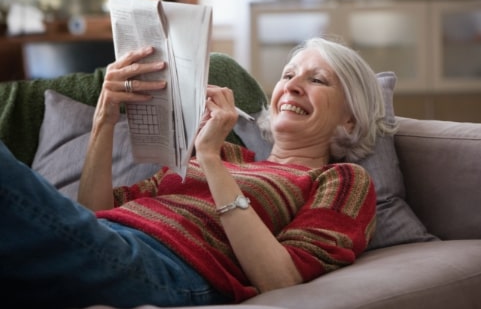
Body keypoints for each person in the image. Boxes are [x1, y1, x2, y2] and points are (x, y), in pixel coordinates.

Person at [0, 37, 395, 308]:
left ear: (348, 121)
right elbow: (94, 212)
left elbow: (281, 278)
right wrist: (105, 115)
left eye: (317, 80)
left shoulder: (341, 179)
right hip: (108, 238)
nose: (291, 87)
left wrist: (207, 155)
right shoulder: (230, 154)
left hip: (168, 269)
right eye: (288, 75)